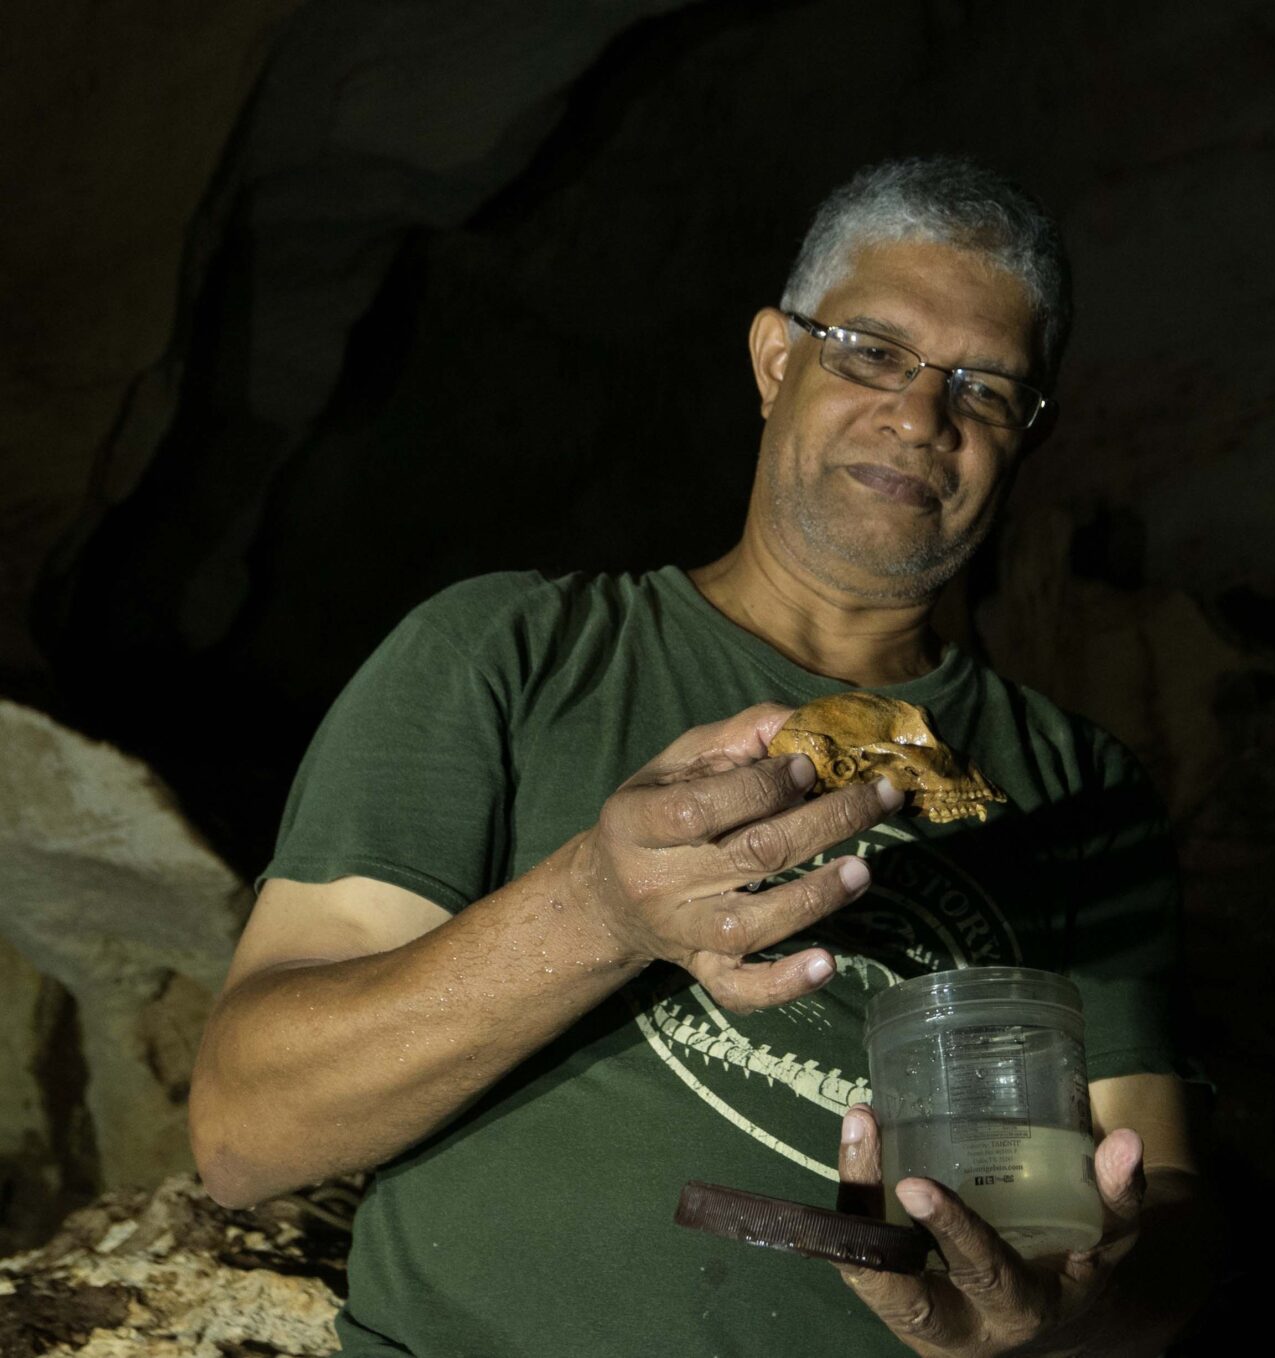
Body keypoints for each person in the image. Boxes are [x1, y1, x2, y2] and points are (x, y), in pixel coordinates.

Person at [189, 156, 1220, 1357]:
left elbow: (1171, 1216)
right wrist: (595, 909)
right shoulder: (512, 653)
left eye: (983, 389)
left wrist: (1067, 1311)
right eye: (871, 351)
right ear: (776, 358)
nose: (920, 416)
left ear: (1023, 438)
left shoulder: (1076, 784)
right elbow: (243, 1128)